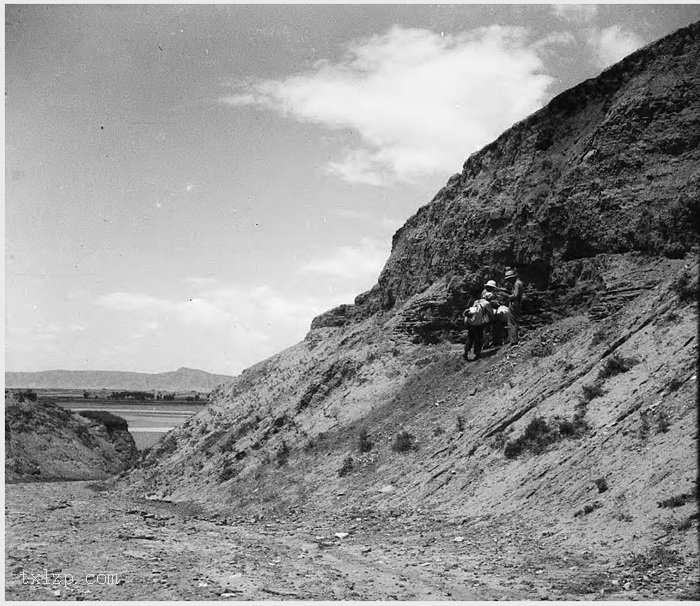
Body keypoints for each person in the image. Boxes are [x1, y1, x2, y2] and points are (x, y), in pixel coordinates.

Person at [503, 268, 524, 345]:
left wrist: (507, 296)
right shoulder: (518, 283)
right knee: (513, 321)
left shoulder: (517, 283)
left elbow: (516, 295)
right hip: (516, 303)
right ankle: (513, 339)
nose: (509, 281)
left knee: (512, 322)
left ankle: (514, 340)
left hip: (514, 303)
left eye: (509, 279)